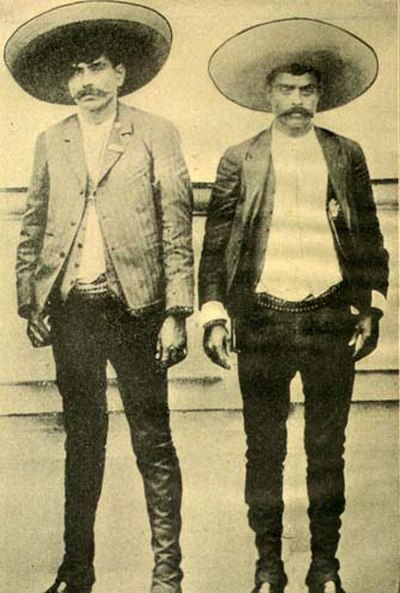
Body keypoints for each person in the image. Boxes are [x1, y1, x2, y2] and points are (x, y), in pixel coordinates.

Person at [5, 3, 194, 593]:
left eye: (98, 68)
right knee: (83, 440)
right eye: (77, 73)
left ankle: (168, 574)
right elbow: (34, 224)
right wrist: (29, 300)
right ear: (68, 83)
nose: (87, 82)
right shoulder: (51, 140)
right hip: (72, 310)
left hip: (136, 310)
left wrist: (176, 311)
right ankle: (76, 572)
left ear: (120, 75)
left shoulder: (156, 134)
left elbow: (176, 226)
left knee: (152, 439)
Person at [199, 18, 389, 593]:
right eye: (286, 89)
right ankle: (268, 567)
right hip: (261, 319)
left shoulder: (345, 154)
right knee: (265, 451)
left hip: (330, 317)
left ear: (320, 96)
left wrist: (371, 307)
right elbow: (217, 242)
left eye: (307, 90)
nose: (297, 101)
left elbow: (369, 236)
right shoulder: (240, 158)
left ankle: (325, 567)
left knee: (327, 450)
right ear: (268, 94)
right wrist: (213, 314)